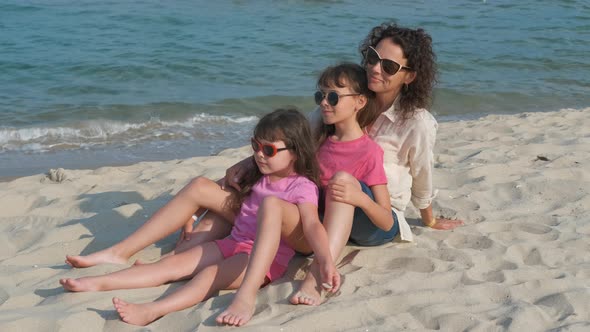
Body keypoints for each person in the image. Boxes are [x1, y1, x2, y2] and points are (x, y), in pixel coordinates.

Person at [60, 109, 338, 326]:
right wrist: (191, 216)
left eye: (269, 150)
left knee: (208, 276)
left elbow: (312, 224)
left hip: (261, 260)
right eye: (255, 145)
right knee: (173, 265)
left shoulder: (302, 186)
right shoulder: (258, 173)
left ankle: (154, 311)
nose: (259, 155)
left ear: (296, 152)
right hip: (232, 243)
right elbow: (210, 191)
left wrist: (325, 260)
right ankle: (97, 282)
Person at [216, 63, 391, 326]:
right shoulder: (318, 141)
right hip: (319, 224)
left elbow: (387, 221)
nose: (324, 103)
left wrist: (361, 199)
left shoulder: (369, 152)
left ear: (360, 102)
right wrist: (241, 167)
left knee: (341, 181)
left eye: (333, 97)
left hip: (364, 223)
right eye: (320, 96)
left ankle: (315, 278)